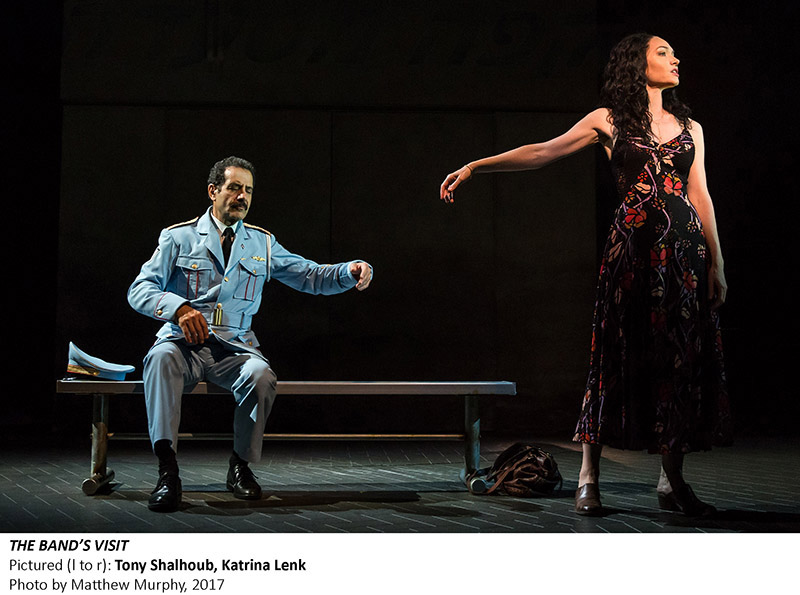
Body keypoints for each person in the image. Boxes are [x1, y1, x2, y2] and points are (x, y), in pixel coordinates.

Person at [439, 33, 732, 517]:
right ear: (635, 64)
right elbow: (543, 152)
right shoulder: (608, 120)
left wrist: (717, 263)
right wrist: (476, 166)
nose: (676, 58)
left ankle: (671, 476)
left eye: (674, 52)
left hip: (683, 259)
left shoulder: (690, 127)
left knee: (679, 363)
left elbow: (700, 196)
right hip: (630, 256)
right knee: (614, 357)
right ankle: (588, 475)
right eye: (663, 52)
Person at [128, 156, 373, 512]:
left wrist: (349, 271)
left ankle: (240, 466)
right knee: (160, 358)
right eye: (233, 188)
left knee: (260, 375)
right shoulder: (178, 237)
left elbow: (310, 275)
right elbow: (140, 289)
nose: (241, 196)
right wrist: (179, 308)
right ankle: (168, 471)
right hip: (184, 345)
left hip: (234, 347)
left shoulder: (262, 244)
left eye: (248, 190)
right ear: (213, 191)